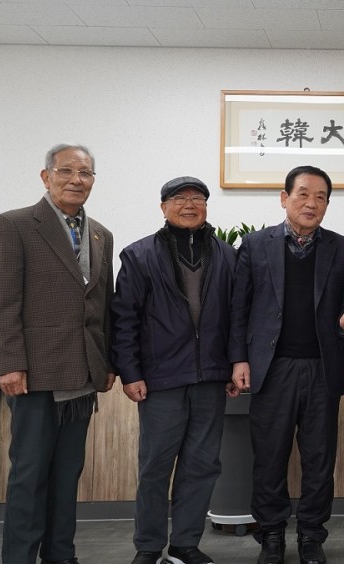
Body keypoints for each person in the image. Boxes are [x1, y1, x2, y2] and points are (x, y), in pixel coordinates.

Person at [0, 143, 116, 564]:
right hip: (35, 374)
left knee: (67, 473)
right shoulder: (14, 225)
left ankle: (61, 554)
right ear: (46, 177)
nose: (77, 180)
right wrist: (9, 364)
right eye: (66, 171)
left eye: (85, 173)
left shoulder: (100, 233)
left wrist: (107, 362)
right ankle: (19, 557)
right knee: (30, 473)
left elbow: (104, 305)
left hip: (82, 373)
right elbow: (1, 301)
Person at [228, 165, 344, 564]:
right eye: (303, 194)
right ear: (284, 198)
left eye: (320, 197)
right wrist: (238, 359)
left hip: (323, 368)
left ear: (328, 204)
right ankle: (271, 536)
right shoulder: (255, 245)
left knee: (319, 459)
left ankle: (312, 536)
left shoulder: (342, 248)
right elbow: (239, 307)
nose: (311, 203)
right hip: (272, 368)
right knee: (269, 457)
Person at [111, 176, 237, 564]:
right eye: (179, 198)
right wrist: (130, 372)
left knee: (202, 466)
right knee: (155, 467)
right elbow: (123, 319)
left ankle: (184, 545)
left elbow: (238, 316)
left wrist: (235, 364)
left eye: (197, 198)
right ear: (163, 207)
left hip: (210, 378)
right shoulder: (139, 256)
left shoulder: (227, 255)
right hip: (160, 380)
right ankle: (148, 547)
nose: (189, 204)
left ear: (206, 206)